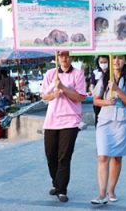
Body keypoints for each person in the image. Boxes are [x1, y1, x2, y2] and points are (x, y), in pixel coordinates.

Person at [91, 55, 126, 205]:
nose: (117, 61)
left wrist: (117, 90)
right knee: (102, 156)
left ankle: (111, 190)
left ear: (125, 61)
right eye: (114, 58)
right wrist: (106, 101)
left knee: (117, 157)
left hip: (123, 122)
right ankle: (101, 193)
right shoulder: (103, 78)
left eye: (120, 58)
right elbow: (96, 100)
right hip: (105, 121)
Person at [40, 51, 86, 202]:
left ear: (71, 57)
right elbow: (44, 96)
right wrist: (54, 94)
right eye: (61, 56)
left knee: (64, 156)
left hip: (70, 120)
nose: (64, 58)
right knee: (50, 155)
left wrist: (63, 88)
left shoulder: (78, 74)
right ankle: (56, 183)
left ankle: (62, 189)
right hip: (52, 120)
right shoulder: (50, 73)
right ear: (57, 57)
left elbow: (80, 97)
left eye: (67, 55)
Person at [90, 55, 109, 127]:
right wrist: (93, 92)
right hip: (98, 99)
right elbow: (92, 85)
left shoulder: (112, 72)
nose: (103, 64)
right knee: (97, 117)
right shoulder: (95, 72)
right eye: (101, 62)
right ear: (98, 62)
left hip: (108, 99)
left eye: (105, 62)